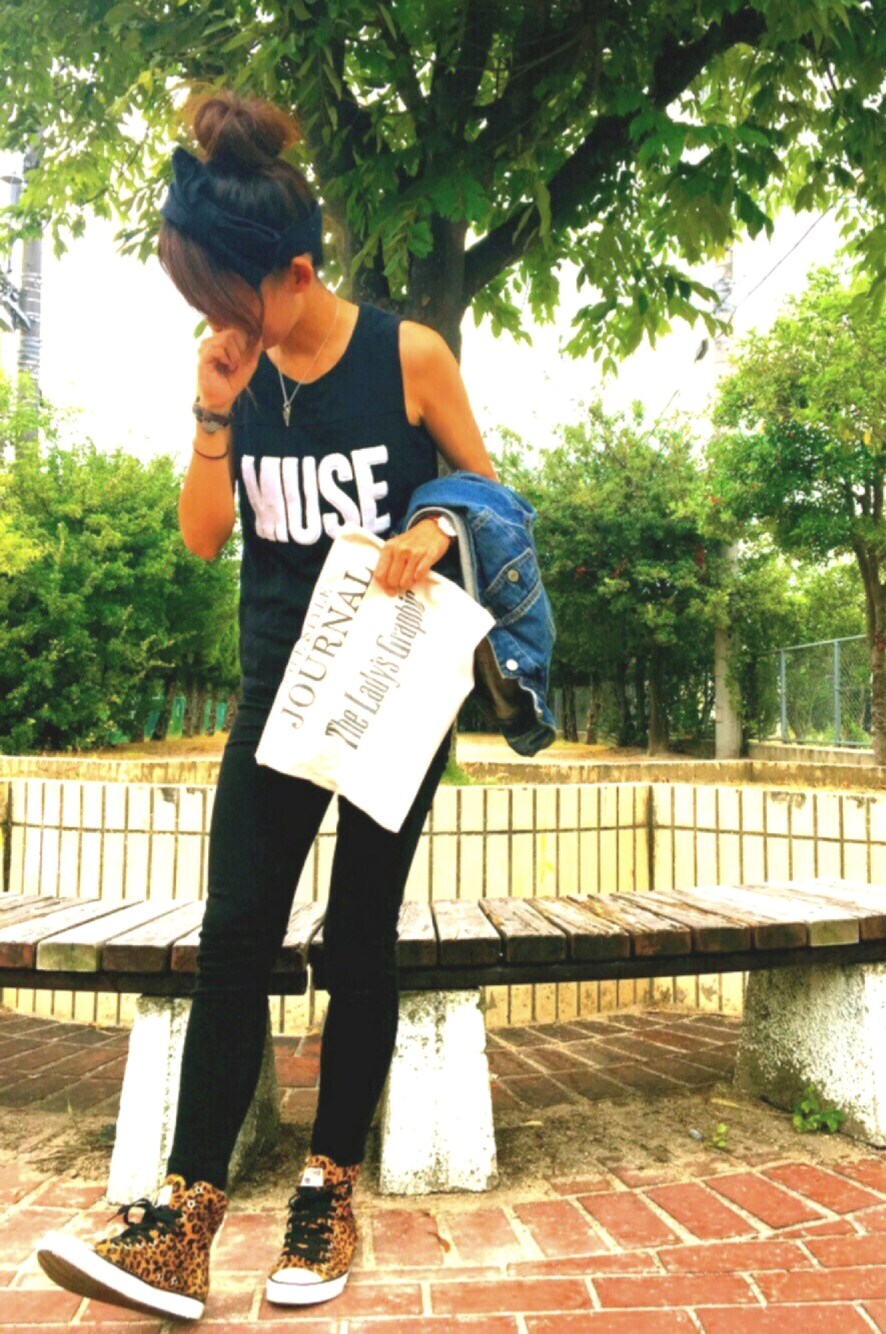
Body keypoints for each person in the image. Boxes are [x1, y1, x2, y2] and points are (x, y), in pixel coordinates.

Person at [35, 88, 499, 1323]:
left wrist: (434, 525)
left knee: (358, 935)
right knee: (235, 932)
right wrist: (208, 407)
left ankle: (328, 1190)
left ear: (297, 272)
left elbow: (489, 494)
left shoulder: (407, 356)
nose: (222, 327)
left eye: (233, 304)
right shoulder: (233, 372)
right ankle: (183, 1219)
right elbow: (202, 538)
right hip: (277, 694)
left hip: (396, 690)